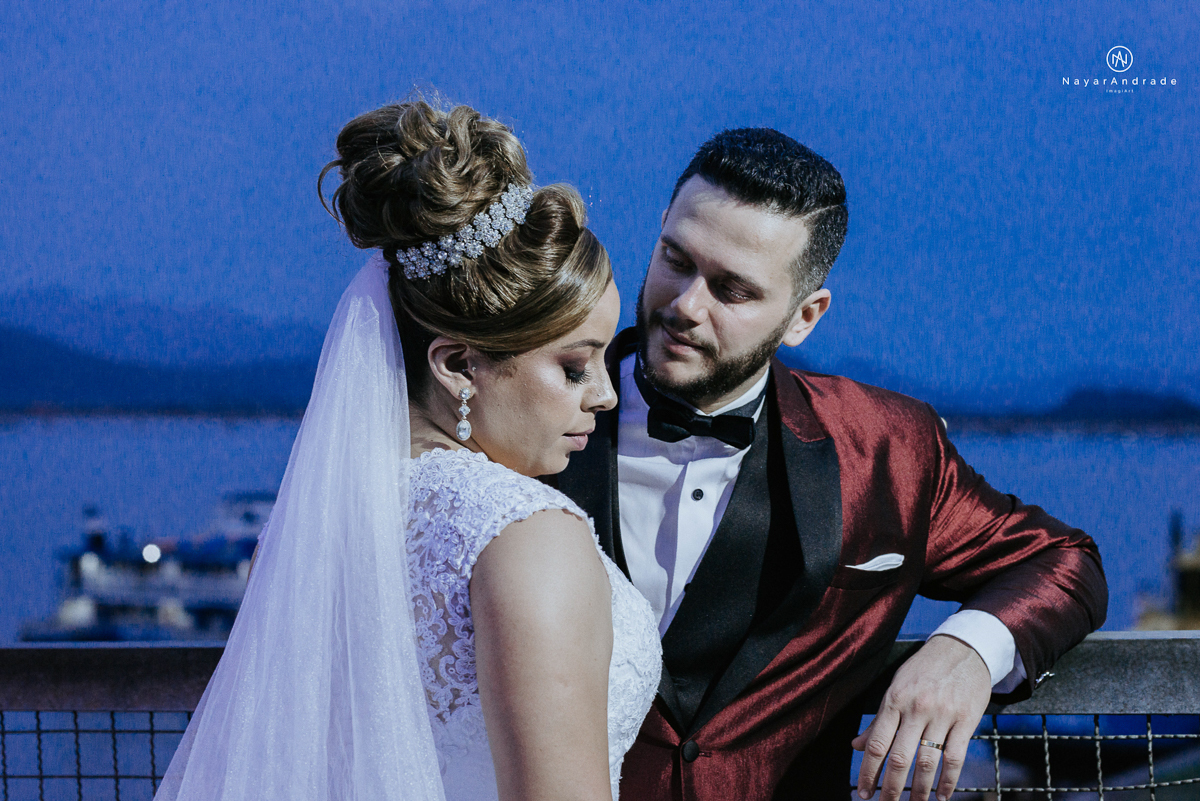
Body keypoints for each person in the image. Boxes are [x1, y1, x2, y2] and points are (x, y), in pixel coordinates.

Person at [554, 128, 1108, 801]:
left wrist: (968, 649)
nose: (685, 305)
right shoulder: (528, 418)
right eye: (676, 258)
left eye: (732, 290)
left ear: (804, 317)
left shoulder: (888, 449)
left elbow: (1063, 560)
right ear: (659, 229)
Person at [155, 100, 661, 801]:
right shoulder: (528, 534)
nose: (604, 395)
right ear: (457, 363)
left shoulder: (323, 518)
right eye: (574, 367)